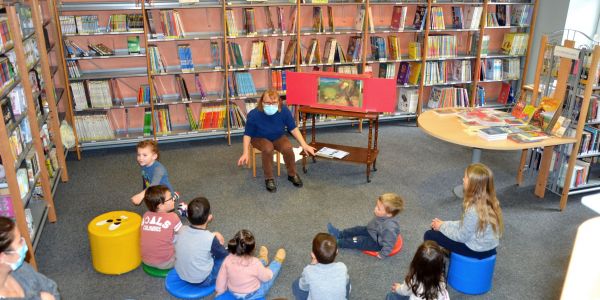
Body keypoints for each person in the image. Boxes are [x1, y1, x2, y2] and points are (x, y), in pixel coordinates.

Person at [237, 90, 316, 192]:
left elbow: (293, 128)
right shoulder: (254, 114)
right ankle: (269, 178)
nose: (271, 105)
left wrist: (304, 145)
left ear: (279, 102)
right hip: (259, 137)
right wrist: (245, 152)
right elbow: (247, 135)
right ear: (262, 102)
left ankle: (292, 174)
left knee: (287, 148)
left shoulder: (284, 111)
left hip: (278, 136)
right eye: (267, 103)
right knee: (268, 148)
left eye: (274, 103)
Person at [424, 163, 503, 259]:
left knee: (430, 234)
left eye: (465, 177)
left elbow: (461, 237)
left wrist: (441, 226)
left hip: (475, 251)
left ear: (473, 185)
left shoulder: (473, 210)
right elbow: (465, 225)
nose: (462, 179)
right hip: (489, 249)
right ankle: (451, 251)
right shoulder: (491, 202)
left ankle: (435, 265)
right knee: (441, 228)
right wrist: (444, 224)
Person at [327, 193, 404, 259]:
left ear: (389, 214)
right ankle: (340, 234)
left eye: (378, 208)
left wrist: (382, 254)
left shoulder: (389, 228)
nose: (375, 209)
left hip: (375, 242)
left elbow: (389, 244)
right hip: (372, 230)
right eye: (376, 206)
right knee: (356, 229)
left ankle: (338, 242)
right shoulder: (384, 215)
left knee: (358, 240)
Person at [0, 216, 60, 299]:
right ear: (2, 257)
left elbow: (51, 287)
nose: (24, 243)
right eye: (20, 242)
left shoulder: (21, 268)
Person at [215, 229, 286, 299]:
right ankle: (277, 261)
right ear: (253, 248)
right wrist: (269, 271)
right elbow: (266, 278)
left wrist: (220, 292)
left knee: (256, 268)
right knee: (270, 274)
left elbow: (221, 278)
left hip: (234, 293)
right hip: (253, 295)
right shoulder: (255, 263)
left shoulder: (228, 259)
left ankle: (263, 260)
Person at [174, 197, 228, 286]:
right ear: (210, 217)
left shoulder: (181, 229)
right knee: (225, 258)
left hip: (181, 274)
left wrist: (213, 234)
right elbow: (224, 255)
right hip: (203, 280)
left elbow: (196, 240)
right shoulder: (210, 239)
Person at [292, 233, 350, 300]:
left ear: (313, 255)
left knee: (296, 284)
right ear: (337, 252)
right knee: (346, 279)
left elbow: (303, 287)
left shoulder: (308, 271)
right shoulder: (342, 267)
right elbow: (346, 281)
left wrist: (312, 265)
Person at [385, 241, 449, 300]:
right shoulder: (441, 279)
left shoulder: (414, 279)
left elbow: (405, 291)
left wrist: (398, 289)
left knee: (390, 296)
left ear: (416, 262)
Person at [140, 185, 182, 269]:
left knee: (161, 235)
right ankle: (181, 211)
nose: (174, 200)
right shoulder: (173, 217)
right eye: (171, 198)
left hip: (145, 260)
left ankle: (180, 211)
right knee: (183, 238)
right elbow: (183, 234)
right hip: (166, 263)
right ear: (160, 206)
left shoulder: (146, 215)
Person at [131, 140, 177, 206]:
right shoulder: (144, 165)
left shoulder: (159, 169)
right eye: (138, 154)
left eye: (144, 155)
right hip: (154, 191)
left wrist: (141, 195)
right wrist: (145, 192)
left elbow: (154, 184)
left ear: (154, 156)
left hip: (165, 194)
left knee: (163, 210)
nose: (140, 158)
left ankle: (174, 196)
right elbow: (145, 180)